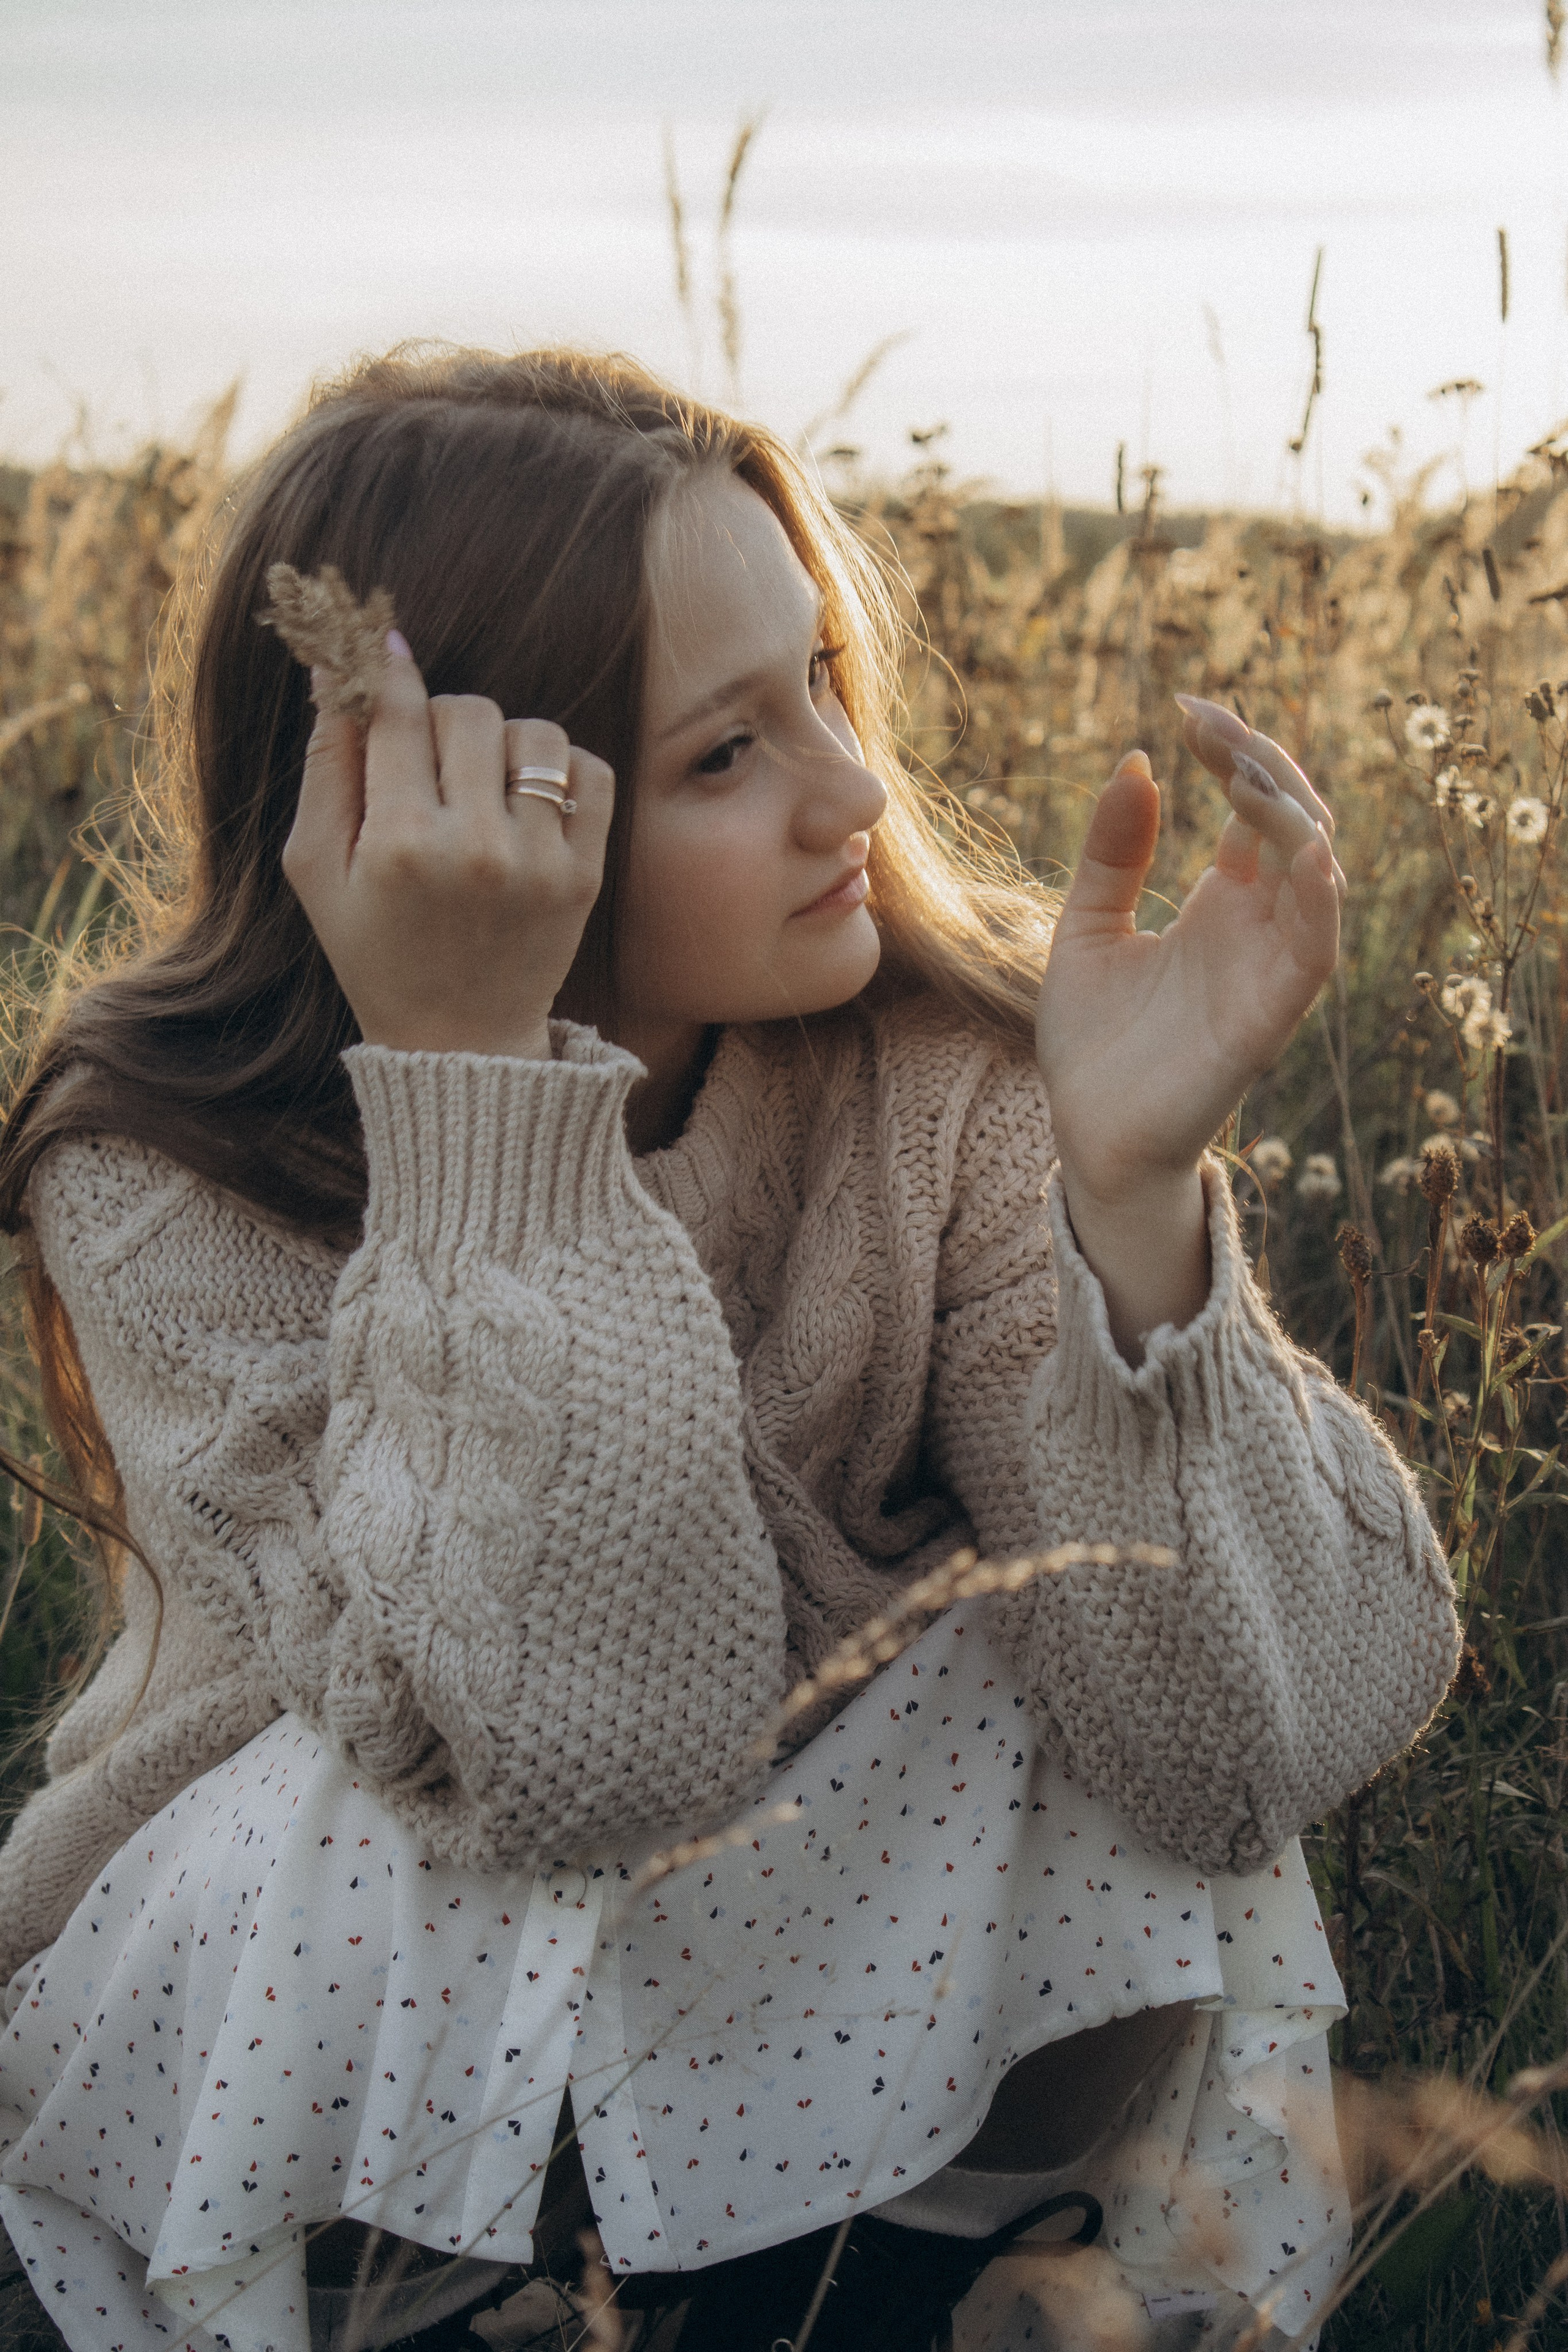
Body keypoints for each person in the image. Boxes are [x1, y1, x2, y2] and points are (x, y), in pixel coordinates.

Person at [0, 347, 1457, 2352]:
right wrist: (475, 1089)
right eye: (724, 757)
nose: (857, 796)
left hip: (834, 2005)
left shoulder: (937, 1080)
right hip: (358, 2055)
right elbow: (567, 1758)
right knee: (373, 1788)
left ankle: (1012, 2288)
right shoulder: (167, 1168)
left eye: (827, 695)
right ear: (444, 809)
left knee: (1041, 1645)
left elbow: (1231, 1761)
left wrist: (1129, 1206)